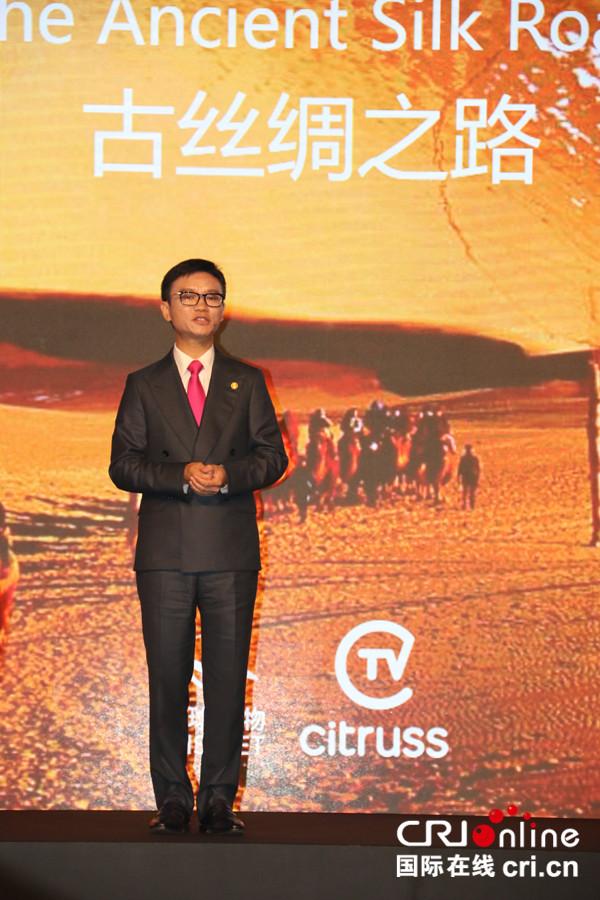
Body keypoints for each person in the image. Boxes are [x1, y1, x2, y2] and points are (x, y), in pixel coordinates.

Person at [109, 259, 288, 835]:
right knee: (167, 679)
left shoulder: (248, 380)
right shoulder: (143, 384)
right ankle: (171, 798)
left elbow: (273, 457)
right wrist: (181, 475)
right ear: (166, 309)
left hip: (229, 550)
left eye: (212, 297)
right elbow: (123, 465)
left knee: (228, 682)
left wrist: (229, 477)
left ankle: (218, 800)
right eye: (188, 296)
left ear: (223, 309)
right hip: (165, 553)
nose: (201, 306)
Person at [458, 443, 481, 510]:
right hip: (469, 476)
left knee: (468, 492)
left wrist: (458, 475)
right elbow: (460, 468)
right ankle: (468, 505)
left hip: (469, 476)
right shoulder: (473, 458)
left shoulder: (467, 458)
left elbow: (460, 468)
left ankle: (468, 505)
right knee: (468, 492)